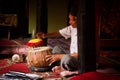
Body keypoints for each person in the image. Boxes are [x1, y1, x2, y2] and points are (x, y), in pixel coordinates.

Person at [36, 8, 79, 76]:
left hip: (80, 60)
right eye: (69, 19)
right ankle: (62, 66)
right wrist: (45, 35)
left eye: (72, 20)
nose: (69, 22)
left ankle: (70, 70)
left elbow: (81, 55)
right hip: (70, 56)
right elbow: (59, 32)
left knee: (66, 59)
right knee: (56, 49)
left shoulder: (86, 32)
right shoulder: (72, 28)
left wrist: (60, 56)